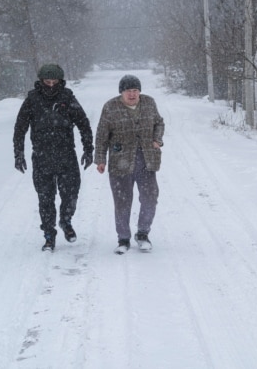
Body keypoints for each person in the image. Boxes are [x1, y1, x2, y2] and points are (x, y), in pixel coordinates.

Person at [13, 64, 94, 251]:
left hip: (66, 155)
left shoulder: (67, 98)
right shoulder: (32, 100)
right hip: (42, 158)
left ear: (60, 81)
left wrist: (88, 149)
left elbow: (83, 124)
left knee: (71, 195)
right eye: (47, 82)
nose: (50, 85)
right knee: (45, 199)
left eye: (54, 82)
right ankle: (49, 235)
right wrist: (18, 154)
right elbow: (20, 129)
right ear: (41, 81)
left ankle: (66, 221)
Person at [94, 74, 165, 254]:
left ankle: (142, 234)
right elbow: (102, 135)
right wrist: (100, 159)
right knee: (122, 202)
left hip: (146, 160)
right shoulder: (110, 107)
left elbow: (159, 123)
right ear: (121, 92)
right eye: (128, 91)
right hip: (120, 162)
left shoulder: (149, 103)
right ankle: (123, 239)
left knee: (150, 198)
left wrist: (157, 139)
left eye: (135, 91)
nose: (132, 94)